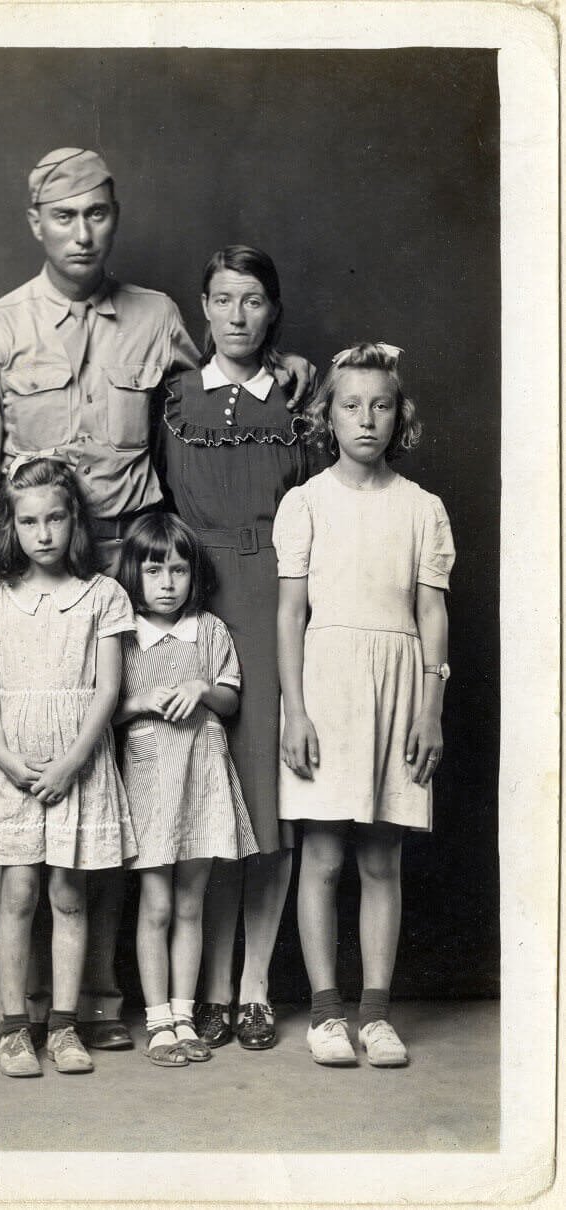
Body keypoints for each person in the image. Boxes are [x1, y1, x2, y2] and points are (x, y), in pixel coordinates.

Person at [0, 150, 312, 1046]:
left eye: (97, 215)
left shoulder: (155, 316)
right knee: (52, 775)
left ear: (115, 218)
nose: (82, 232)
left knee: (138, 780)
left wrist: (286, 367)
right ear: (35, 222)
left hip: (145, 588)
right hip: (41, 589)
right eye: (63, 217)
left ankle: (114, 1001)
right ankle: (47, 1010)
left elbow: (214, 392)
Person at [273, 342, 455, 1067]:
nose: (366, 419)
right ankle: (326, 1014)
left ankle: (376, 1013)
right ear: (329, 416)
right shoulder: (306, 501)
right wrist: (295, 710)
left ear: (398, 415)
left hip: (400, 683)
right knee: (320, 855)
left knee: (383, 857)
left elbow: (433, 612)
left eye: (381, 405)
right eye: (351, 405)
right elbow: (290, 614)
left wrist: (431, 706)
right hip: (326, 686)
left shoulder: (423, 508)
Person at [155, 246, 319, 1050]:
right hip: (192, 596)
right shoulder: (177, 397)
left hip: (274, 599)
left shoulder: (300, 401)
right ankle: (208, 987)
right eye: (223, 300)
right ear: (204, 307)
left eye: (254, 300)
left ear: (272, 310)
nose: (238, 316)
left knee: (265, 801)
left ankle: (254, 987)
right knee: (203, 795)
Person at [0, 456, 136, 1076]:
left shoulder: (103, 595)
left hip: (77, 764)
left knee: (68, 892)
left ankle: (65, 1024)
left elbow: (106, 691)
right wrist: (8, 759)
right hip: (15, 764)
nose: (43, 533)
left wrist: (71, 762)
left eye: (55, 519)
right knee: (18, 891)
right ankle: (16, 1026)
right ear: (12, 525)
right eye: (29, 521)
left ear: (75, 521)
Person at [115, 514, 258, 1066]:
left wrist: (203, 688)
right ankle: (157, 1022)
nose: (168, 583)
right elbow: (109, 709)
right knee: (155, 905)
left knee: (190, 904)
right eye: (155, 571)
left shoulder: (209, 630)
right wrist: (143, 703)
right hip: (152, 784)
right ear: (136, 574)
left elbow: (232, 698)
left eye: (178, 570)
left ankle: (183, 1013)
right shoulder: (126, 636)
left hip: (201, 783)